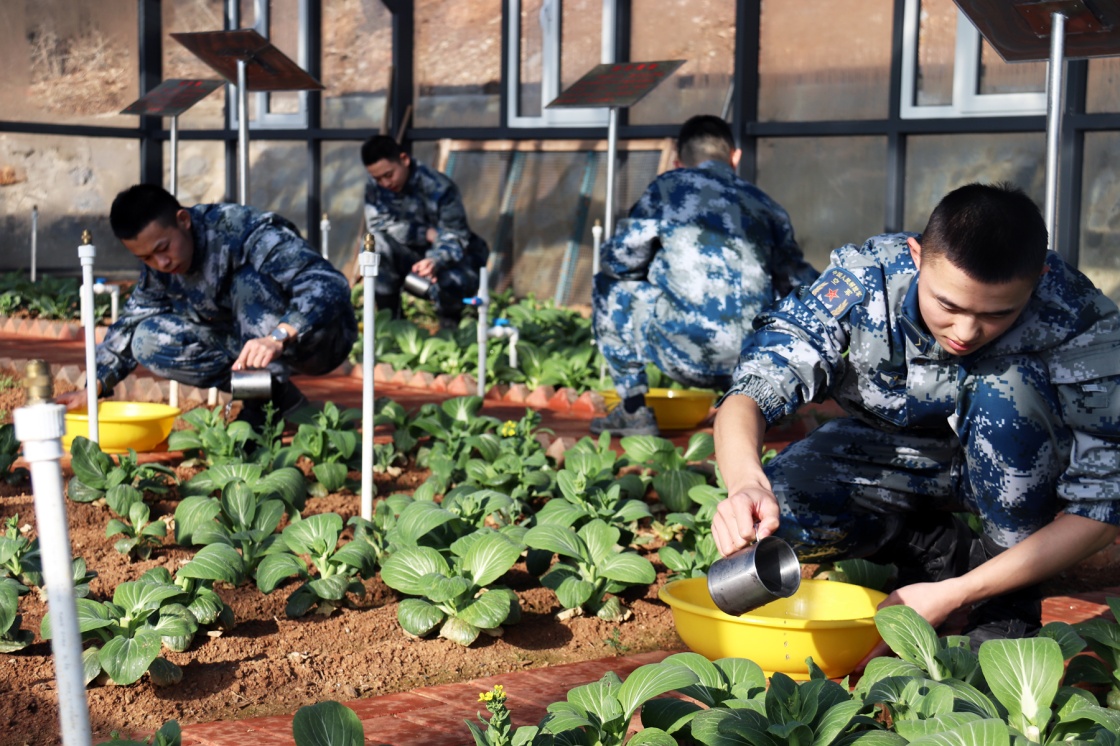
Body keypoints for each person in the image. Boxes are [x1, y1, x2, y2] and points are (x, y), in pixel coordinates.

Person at [710, 182, 1120, 654]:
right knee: (780, 511)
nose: (966, 331)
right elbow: (753, 390)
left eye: (998, 313)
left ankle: (1005, 602)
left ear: (1039, 277)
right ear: (915, 255)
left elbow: (1100, 511)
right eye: (948, 304)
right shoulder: (868, 281)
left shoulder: (1078, 316)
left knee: (1008, 390)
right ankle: (933, 548)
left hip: (1018, 469)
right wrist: (745, 483)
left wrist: (955, 596)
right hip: (894, 454)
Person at [590, 114, 818, 437]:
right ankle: (768, 407)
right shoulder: (766, 205)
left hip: (680, 350)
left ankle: (633, 412)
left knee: (607, 285)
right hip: (752, 361)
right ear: (735, 157)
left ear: (678, 160)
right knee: (789, 297)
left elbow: (619, 260)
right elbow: (798, 281)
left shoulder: (667, 188)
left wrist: (657, 270)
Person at [58, 184, 357, 428]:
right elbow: (132, 320)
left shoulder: (243, 230)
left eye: (163, 248)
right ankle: (273, 395)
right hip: (253, 347)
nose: (160, 263)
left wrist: (278, 336)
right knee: (147, 339)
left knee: (247, 283)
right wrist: (93, 386)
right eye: (146, 258)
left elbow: (327, 282)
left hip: (319, 339)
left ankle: (258, 411)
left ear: (183, 220)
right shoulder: (160, 268)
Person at [361, 135, 489, 330]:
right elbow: (377, 226)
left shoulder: (439, 187)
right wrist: (423, 233)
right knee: (375, 245)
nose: (385, 183)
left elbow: (455, 236)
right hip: (409, 255)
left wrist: (435, 261)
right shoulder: (374, 188)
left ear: (404, 159)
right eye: (378, 178)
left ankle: (451, 331)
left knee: (452, 282)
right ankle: (392, 325)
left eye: (389, 175)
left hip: (452, 260)